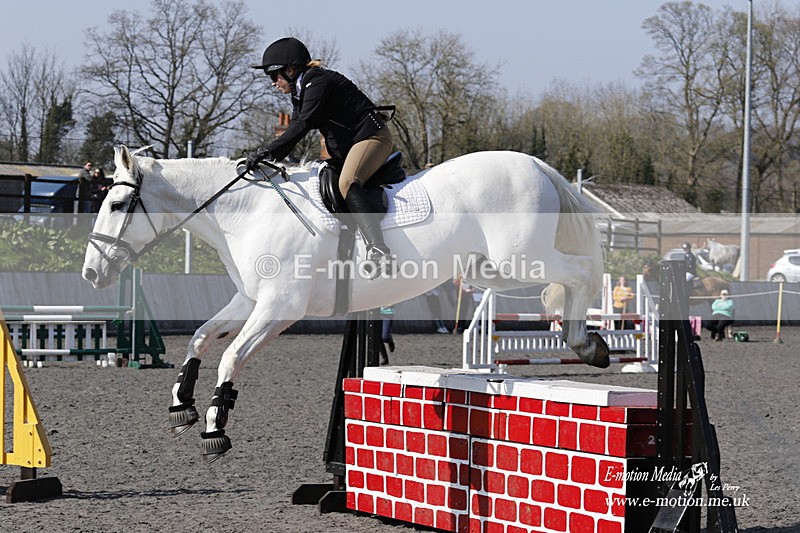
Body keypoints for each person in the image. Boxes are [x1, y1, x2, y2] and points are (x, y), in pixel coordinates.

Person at [246, 37, 394, 278]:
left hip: (372, 138)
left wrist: (267, 152)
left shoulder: (318, 82)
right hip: (349, 148)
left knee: (348, 182)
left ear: (290, 70)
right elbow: (294, 127)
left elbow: (304, 124)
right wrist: (269, 157)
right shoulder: (301, 91)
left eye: (274, 75)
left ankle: (379, 250)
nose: (273, 83)